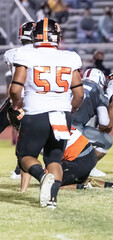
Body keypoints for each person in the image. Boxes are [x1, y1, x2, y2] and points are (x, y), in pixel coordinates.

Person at [9, 18, 84, 208]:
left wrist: (15, 103)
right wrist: (71, 108)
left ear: (35, 36)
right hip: (62, 114)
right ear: (57, 37)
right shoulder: (70, 57)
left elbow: (16, 88)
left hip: (36, 113)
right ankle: (52, 200)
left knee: (25, 156)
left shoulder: (25, 55)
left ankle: (43, 177)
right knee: (54, 158)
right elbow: (79, 93)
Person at [18, 127, 113, 193]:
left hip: (79, 160)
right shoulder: (52, 120)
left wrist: (23, 190)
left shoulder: (35, 134)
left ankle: (83, 186)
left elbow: (27, 163)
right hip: (90, 156)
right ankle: (96, 183)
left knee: (51, 184)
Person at [3, 21, 35, 179]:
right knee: (27, 136)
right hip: (33, 100)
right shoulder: (42, 54)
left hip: (15, 98)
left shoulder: (11, 53)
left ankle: (19, 169)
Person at [72, 68, 112, 177]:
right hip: (74, 129)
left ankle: (20, 170)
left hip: (54, 125)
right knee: (106, 141)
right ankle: (89, 167)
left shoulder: (73, 83)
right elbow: (104, 122)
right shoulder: (97, 90)